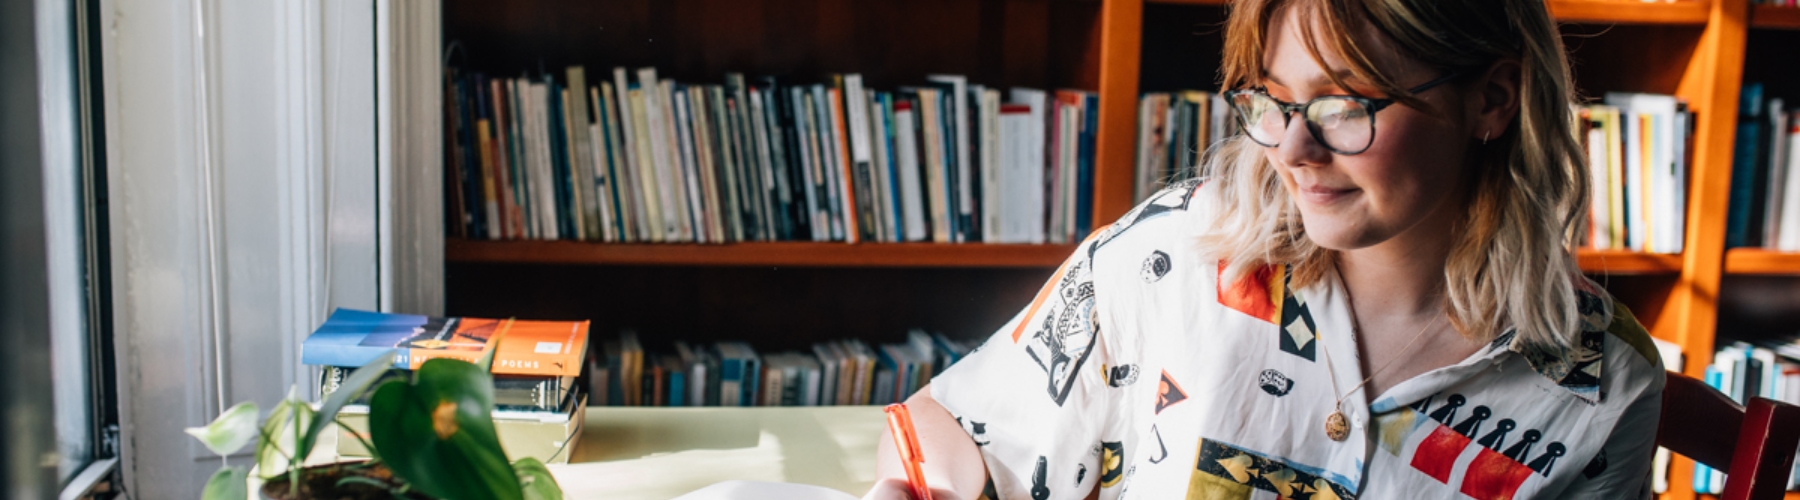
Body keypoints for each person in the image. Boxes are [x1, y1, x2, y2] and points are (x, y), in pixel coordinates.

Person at [866, 0, 1666, 498]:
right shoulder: (1176, 250)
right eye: (1273, 100)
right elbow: (963, 425)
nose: (1291, 148)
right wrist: (906, 489)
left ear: (1492, 99)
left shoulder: (1604, 387)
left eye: (1345, 106)